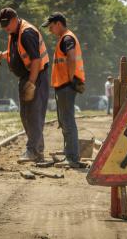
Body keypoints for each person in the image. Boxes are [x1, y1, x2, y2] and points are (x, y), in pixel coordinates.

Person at [0, 7, 49, 163]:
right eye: (2, 25)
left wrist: (31, 83)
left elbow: (36, 60)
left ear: (14, 19)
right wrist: (2, 55)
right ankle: (37, 151)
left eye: (7, 24)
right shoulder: (14, 32)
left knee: (33, 115)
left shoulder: (26, 33)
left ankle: (33, 150)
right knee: (25, 115)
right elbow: (17, 52)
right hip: (27, 76)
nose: (5, 28)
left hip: (36, 75)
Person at [42, 12, 85, 168]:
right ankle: (69, 155)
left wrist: (71, 78)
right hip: (64, 85)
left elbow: (72, 58)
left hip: (67, 85)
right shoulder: (65, 38)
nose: (50, 30)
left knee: (68, 121)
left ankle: (72, 157)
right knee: (65, 121)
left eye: (51, 27)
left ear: (59, 23)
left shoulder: (67, 38)